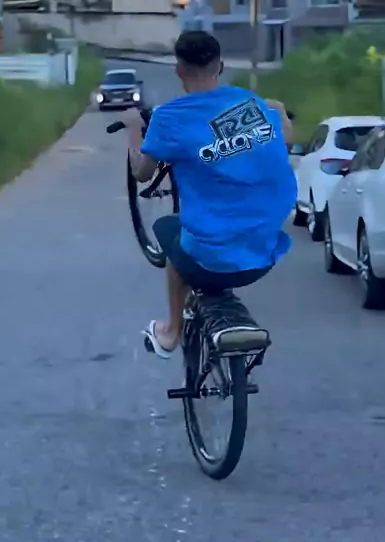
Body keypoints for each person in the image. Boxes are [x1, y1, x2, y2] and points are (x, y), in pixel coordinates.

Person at [124, 30, 297, 358]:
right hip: (263, 253)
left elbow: (142, 173)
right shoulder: (250, 104)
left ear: (178, 70)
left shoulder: (168, 117)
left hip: (210, 259)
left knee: (169, 229)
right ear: (220, 66)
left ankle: (171, 331)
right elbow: (286, 140)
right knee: (221, 223)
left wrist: (134, 128)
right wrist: (280, 110)